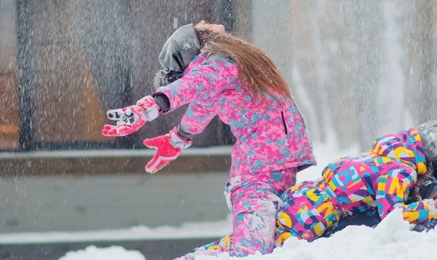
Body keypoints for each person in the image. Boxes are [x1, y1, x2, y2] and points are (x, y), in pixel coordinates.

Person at [102, 21, 316, 259]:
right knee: (251, 252)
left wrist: (177, 138)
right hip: (258, 174)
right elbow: (192, 87)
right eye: (201, 25)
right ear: (193, 45)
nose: (208, 22)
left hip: (269, 167)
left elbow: (200, 104)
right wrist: (151, 107)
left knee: (265, 243)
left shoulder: (226, 67)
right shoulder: (217, 68)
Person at [196, 117, 437, 251]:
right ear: (431, 157)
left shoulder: (386, 153)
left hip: (301, 199)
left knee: (237, 245)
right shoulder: (398, 171)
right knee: (254, 251)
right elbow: (393, 216)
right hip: (311, 216)